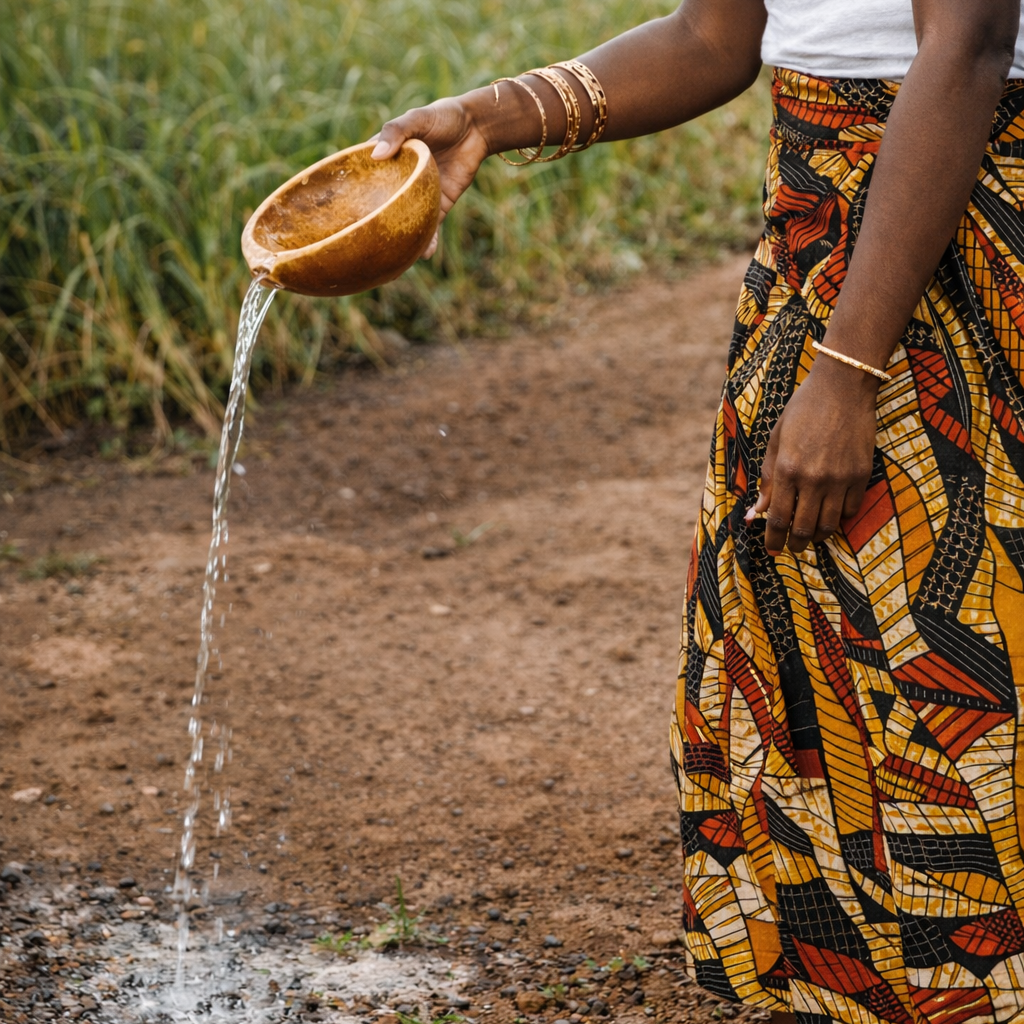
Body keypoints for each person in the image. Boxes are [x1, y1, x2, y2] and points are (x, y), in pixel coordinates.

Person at [371, 2, 1024, 1021]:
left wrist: (847, 373)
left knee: (960, 658)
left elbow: (968, 50)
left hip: (965, 241)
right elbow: (712, 40)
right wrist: (491, 117)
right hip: (819, 244)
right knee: (809, 634)